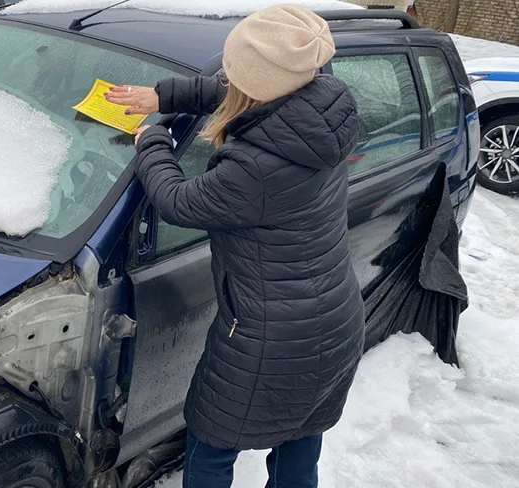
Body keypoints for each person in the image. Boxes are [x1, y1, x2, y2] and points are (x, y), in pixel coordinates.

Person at [105, 5, 365, 488]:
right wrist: (164, 95)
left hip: (269, 339)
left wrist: (153, 142)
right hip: (335, 319)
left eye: (233, 69)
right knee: (299, 440)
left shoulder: (254, 169)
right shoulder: (322, 102)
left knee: (210, 443)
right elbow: (243, 93)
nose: (227, 78)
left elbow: (179, 202)